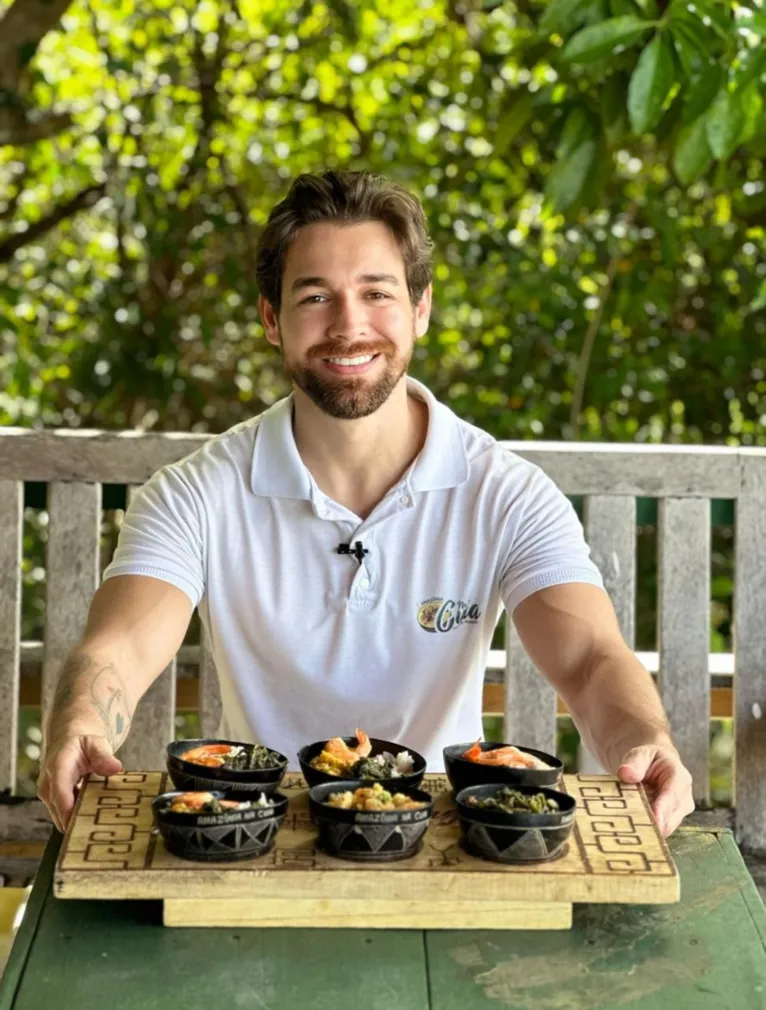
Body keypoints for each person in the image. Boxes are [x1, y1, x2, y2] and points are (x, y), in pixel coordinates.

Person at [38, 170, 694, 836]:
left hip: (444, 842)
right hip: (253, 834)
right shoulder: (194, 493)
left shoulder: (507, 494)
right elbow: (117, 646)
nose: (348, 326)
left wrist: (645, 740)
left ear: (421, 309)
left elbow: (588, 659)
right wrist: (81, 724)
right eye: (315, 296)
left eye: (376, 292)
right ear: (272, 318)